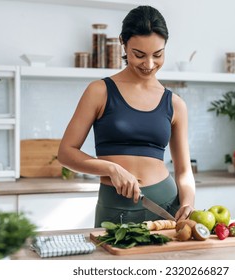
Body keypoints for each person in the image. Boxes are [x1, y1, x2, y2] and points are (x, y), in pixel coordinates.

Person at [58, 5, 195, 227]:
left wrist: (188, 202)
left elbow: (183, 171)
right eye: (139, 55)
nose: (149, 64)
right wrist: (110, 168)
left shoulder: (175, 104)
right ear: (123, 43)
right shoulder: (99, 91)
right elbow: (65, 153)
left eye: (158, 55)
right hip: (115, 209)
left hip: (167, 208)